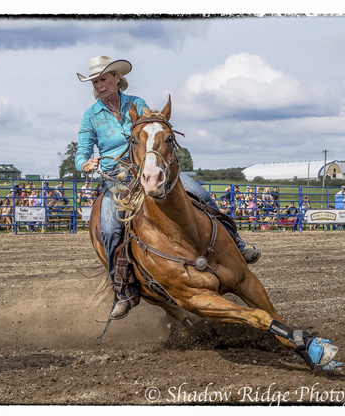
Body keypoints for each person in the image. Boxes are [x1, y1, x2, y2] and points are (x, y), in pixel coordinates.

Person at [75, 55, 261, 320]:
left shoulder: (137, 104)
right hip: (117, 178)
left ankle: (237, 243)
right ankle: (124, 289)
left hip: (148, 166)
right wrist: (85, 164)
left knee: (200, 192)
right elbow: (81, 153)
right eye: (95, 81)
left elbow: (154, 128)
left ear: (117, 78)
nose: (99, 85)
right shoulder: (90, 117)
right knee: (109, 227)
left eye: (103, 79)